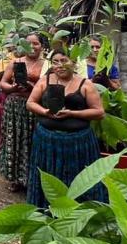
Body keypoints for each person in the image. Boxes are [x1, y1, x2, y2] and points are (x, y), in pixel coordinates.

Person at [26, 50, 106, 207]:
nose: (59, 65)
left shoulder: (85, 84)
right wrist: (45, 112)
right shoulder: (45, 80)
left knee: (78, 177)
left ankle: (80, 210)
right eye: (55, 62)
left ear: (74, 62)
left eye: (64, 60)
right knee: (49, 176)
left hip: (77, 143)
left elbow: (99, 112)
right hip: (47, 140)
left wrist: (72, 113)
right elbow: (30, 103)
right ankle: (45, 208)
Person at [0, 33, 44, 192]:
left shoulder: (47, 65)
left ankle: (33, 178)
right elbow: (3, 83)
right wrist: (13, 88)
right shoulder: (15, 62)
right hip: (14, 107)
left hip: (35, 107)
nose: (32, 47)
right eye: (28, 44)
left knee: (32, 142)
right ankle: (15, 178)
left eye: (36, 43)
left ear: (42, 46)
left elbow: (50, 87)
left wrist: (33, 88)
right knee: (14, 140)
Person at [0, 35, 21, 159]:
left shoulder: (29, 59)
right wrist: (5, 87)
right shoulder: (6, 59)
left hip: (22, 97)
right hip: (6, 96)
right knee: (3, 126)